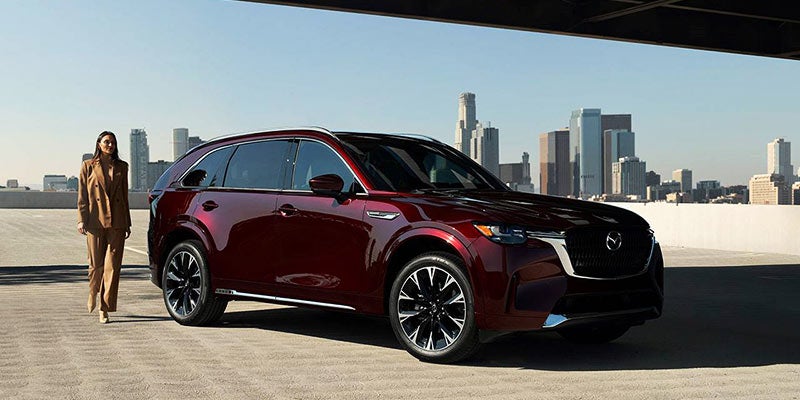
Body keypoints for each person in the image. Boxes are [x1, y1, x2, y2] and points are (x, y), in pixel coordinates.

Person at [77, 131, 131, 323]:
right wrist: (81, 219)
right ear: (99, 144)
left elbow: (124, 196)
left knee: (113, 267)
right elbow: (82, 195)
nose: (110, 145)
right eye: (107, 142)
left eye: (113, 143)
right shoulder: (88, 166)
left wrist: (128, 222)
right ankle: (93, 291)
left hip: (117, 222)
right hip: (95, 221)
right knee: (96, 266)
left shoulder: (122, 167)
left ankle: (104, 308)